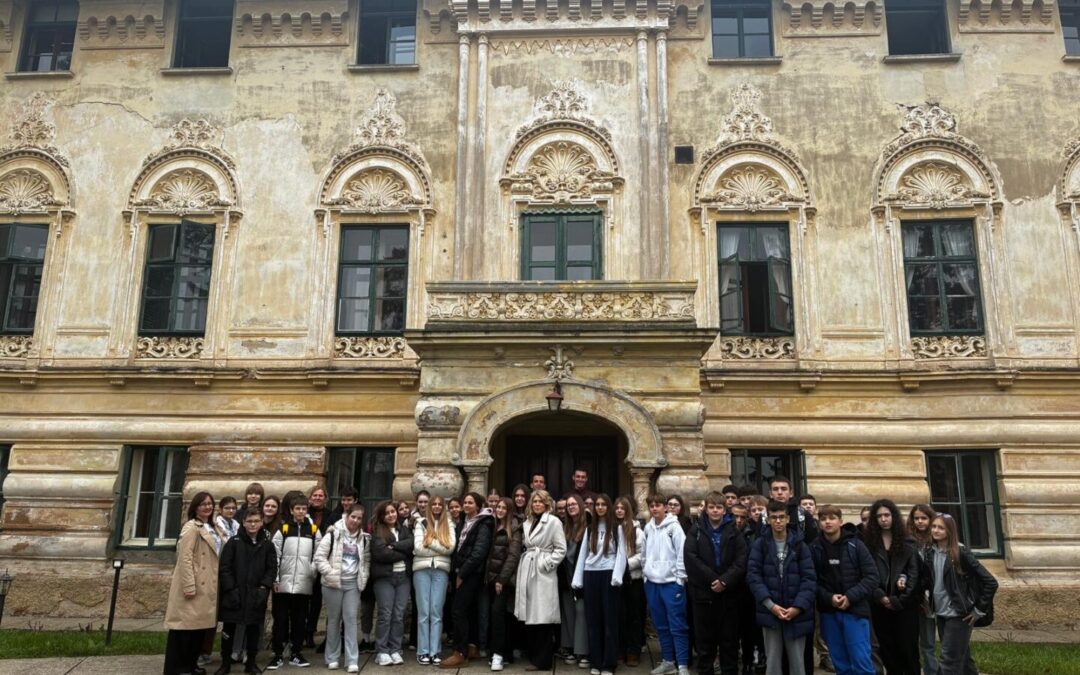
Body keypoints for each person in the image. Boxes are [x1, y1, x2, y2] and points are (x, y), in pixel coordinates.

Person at [746, 500, 816, 675]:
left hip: (796, 612)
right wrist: (771, 605)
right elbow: (753, 577)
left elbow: (809, 579)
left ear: (788, 519)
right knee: (773, 663)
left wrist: (798, 607)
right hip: (770, 611)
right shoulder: (760, 544)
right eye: (774, 517)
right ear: (768, 520)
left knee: (797, 664)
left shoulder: (800, 545)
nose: (778, 521)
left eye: (781, 517)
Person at [684, 491, 748, 675]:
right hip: (703, 594)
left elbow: (741, 560)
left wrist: (725, 580)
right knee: (705, 644)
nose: (715, 511)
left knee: (729, 642)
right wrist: (713, 579)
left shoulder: (734, 531)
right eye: (711, 507)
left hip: (729, 595)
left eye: (719, 507)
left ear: (724, 510)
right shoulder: (696, 530)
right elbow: (691, 558)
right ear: (706, 509)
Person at [809, 505, 877, 675]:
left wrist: (850, 597)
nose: (827, 522)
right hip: (829, 612)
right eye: (823, 519)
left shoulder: (856, 545)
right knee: (841, 664)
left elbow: (871, 577)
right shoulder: (814, 548)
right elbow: (810, 581)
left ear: (840, 521)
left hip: (855, 611)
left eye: (832, 518)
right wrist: (829, 598)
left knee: (861, 662)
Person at [927, 514, 997, 675]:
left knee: (948, 661)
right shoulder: (931, 552)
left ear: (950, 530)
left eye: (941, 528)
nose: (936, 530)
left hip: (959, 614)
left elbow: (990, 582)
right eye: (934, 526)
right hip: (941, 613)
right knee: (963, 659)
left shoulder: (960, 552)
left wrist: (979, 609)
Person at [164, 492, 225, 675]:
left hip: (209, 584)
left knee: (199, 629)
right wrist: (189, 585)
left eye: (210, 503)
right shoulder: (191, 527)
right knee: (184, 629)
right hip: (195, 583)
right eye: (203, 504)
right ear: (195, 507)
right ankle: (177, 668)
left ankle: (191, 665)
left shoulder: (214, 527)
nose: (207, 507)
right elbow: (185, 558)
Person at [217, 509, 278, 675]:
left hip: (256, 595)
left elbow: (272, 568)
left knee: (254, 630)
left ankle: (251, 663)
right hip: (234, 595)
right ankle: (225, 663)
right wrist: (231, 588)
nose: (253, 524)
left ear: (261, 523)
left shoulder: (267, 545)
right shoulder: (234, 542)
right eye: (249, 521)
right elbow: (225, 568)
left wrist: (264, 587)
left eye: (256, 521)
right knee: (229, 630)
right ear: (243, 522)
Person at [572, 493, 627, 675]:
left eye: (604, 504)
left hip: (609, 575)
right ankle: (596, 661)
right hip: (591, 575)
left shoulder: (617, 528)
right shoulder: (590, 529)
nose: (600, 507)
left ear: (608, 507)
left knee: (609, 621)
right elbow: (583, 555)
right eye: (598, 505)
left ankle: (609, 663)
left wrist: (617, 576)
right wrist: (578, 579)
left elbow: (621, 554)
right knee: (593, 620)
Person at [314, 503, 371, 673]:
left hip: (352, 584)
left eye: (359, 518)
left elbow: (366, 560)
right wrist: (331, 573)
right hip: (333, 584)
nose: (355, 520)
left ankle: (352, 660)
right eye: (353, 517)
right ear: (346, 516)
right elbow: (319, 558)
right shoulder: (333, 534)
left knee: (351, 619)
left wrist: (363, 576)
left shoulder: (364, 538)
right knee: (334, 620)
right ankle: (332, 657)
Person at [865, 499, 920, 675]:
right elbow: (867, 573)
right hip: (880, 606)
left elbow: (914, 574)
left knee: (908, 651)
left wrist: (899, 600)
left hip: (904, 606)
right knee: (887, 650)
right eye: (879, 516)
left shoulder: (908, 542)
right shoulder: (869, 544)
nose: (883, 519)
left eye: (887, 515)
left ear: (893, 516)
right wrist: (881, 597)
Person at [441, 492, 495, 668]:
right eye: (465, 502)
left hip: (471, 574)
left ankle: (460, 653)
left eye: (470, 503)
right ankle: (471, 647)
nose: (466, 505)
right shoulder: (465, 521)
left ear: (478, 506)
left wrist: (461, 574)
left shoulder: (483, 523)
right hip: (462, 571)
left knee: (458, 611)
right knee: (468, 611)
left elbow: (478, 553)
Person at [515, 489, 567, 671]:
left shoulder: (553, 522)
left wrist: (546, 564)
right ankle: (534, 656)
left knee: (543, 616)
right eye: (534, 501)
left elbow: (561, 549)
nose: (537, 504)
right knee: (530, 615)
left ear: (546, 504)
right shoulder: (527, 521)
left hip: (543, 571)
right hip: (528, 567)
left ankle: (543, 660)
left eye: (540, 502)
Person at [268, 494, 321, 670]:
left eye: (304, 509)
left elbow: (318, 554)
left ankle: (296, 652)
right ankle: (277, 653)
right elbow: (275, 555)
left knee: (299, 620)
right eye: (297, 509)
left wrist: (312, 572)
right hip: (283, 583)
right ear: (291, 511)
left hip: (303, 583)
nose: (300, 512)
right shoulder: (283, 529)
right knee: (280, 620)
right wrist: (276, 579)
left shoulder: (313, 530)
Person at [642, 493, 690, 675]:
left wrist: (680, 579)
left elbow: (682, 553)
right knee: (661, 625)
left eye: (658, 505)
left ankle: (683, 665)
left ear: (665, 507)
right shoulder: (648, 528)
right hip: (652, 583)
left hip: (671, 583)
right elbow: (644, 554)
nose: (655, 508)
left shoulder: (674, 527)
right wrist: (646, 574)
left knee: (677, 625)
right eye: (651, 506)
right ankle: (668, 661)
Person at [370, 499, 414, 666]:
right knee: (385, 615)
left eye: (392, 512)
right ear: (382, 516)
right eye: (387, 513)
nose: (391, 515)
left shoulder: (404, 530)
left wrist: (394, 546)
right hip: (385, 578)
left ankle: (395, 649)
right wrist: (404, 552)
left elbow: (412, 544)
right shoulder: (377, 532)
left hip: (403, 578)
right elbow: (382, 554)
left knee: (398, 615)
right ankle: (382, 650)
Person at [413, 495, 455, 665]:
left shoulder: (449, 524)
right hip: (422, 570)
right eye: (434, 504)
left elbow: (450, 548)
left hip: (440, 571)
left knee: (436, 612)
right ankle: (423, 651)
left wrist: (429, 542)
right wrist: (439, 545)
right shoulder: (421, 523)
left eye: (440, 504)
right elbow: (417, 548)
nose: (437, 507)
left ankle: (435, 651)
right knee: (424, 612)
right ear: (430, 506)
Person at [487, 497, 524, 671]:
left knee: (498, 616)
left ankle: (498, 655)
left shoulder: (514, 528)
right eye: (498, 507)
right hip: (492, 579)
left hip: (505, 581)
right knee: (502, 616)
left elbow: (513, 556)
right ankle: (506, 653)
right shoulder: (494, 525)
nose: (499, 510)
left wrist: (501, 579)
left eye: (503, 508)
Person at [730, 503, 765, 675]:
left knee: (749, 630)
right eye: (735, 516)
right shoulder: (725, 533)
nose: (738, 520)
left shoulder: (752, 535)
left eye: (742, 517)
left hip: (748, 589)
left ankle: (748, 662)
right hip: (729, 588)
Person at [907, 504, 939, 675]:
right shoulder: (907, 541)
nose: (919, 521)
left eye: (923, 518)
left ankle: (932, 671)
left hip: (933, 596)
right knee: (913, 642)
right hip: (913, 597)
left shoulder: (936, 540)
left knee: (928, 643)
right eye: (916, 518)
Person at [559, 493, 590, 667]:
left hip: (582, 576)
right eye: (568, 505)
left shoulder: (588, 527)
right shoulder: (564, 528)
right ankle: (570, 648)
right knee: (568, 613)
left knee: (581, 612)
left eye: (573, 504)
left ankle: (583, 651)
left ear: (580, 505)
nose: (571, 507)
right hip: (566, 575)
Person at [615, 496, 645, 667]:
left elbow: (642, 555)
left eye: (623, 508)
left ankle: (633, 651)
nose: (619, 511)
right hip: (616, 580)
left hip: (632, 579)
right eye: (617, 508)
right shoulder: (611, 528)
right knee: (618, 616)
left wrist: (625, 565)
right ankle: (620, 650)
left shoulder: (637, 531)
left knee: (633, 616)